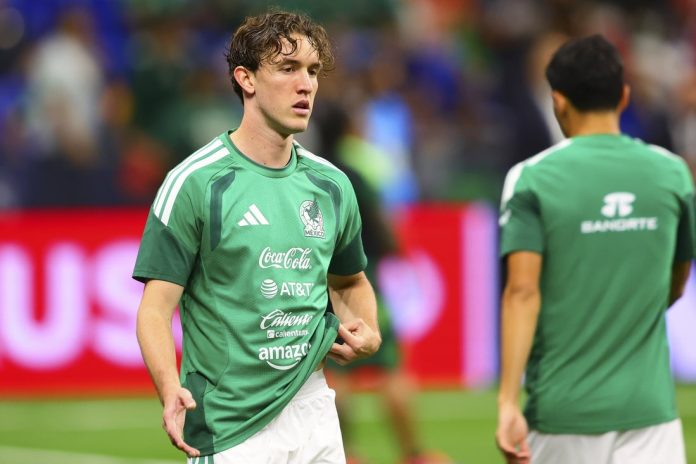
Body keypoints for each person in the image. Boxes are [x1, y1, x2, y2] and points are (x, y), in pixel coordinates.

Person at [133, 9, 381, 464]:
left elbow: (350, 281)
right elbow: (155, 308)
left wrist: (368, 329)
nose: (305, 85)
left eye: (312, 71)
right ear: (245, 79)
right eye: (287, 68)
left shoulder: (331, 185)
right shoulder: (195, 183)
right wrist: (169, 387)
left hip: (312, 406)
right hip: (230, 424)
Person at [495, 34, 695, 464]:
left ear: (558, 101)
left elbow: (522, 292)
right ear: (624, 96)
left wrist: (508, 401)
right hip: (652, 415)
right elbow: (677, 282)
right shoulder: (673, 173)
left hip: (563, 414)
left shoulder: (531, 178)